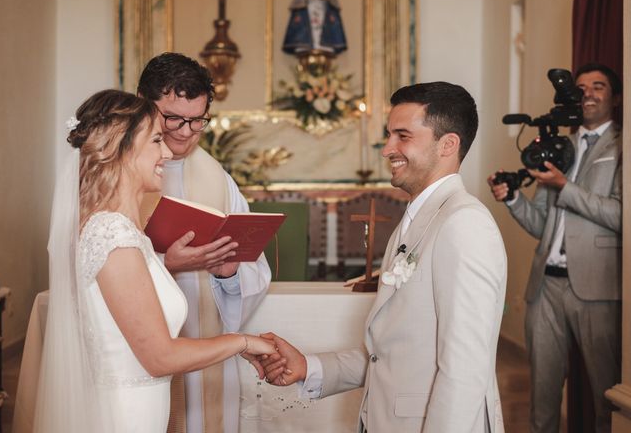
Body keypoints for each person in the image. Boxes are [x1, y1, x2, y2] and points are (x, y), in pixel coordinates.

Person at [260, 82, 507, 433]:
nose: (388, 148)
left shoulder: (464, 224)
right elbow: (392, 354)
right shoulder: (415, 222)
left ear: (448, 144)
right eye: (389, 135)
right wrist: (309, 367)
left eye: (402, 136)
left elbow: (465, 368)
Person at [34, 90, 275, 433]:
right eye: (157, 140)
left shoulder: (120, 229)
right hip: (123, 416)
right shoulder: (113, 234)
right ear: (121, 146)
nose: (167, 152)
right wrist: (244, 342)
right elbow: (160, 357)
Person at [137, 52, 272, 433]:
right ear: (144, 106)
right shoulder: (121, 169)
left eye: (198, 120)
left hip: (205, 349)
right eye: (173, 118)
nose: (185, 131)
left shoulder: (216, 178)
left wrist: (229, 274)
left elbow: (254, 268)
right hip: (142, 352)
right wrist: (168, 264)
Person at [487, 63, 622, 433]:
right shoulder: (557, 146)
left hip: (598, 289)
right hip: (544, 286)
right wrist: (513, 198)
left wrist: (566, 186)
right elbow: (541, 225)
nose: (588, 93)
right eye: (581, 87)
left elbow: (623, 215)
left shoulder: (622, 145)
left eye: (599, 86)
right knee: (542, 395)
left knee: (605, 396)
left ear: (616, 97)